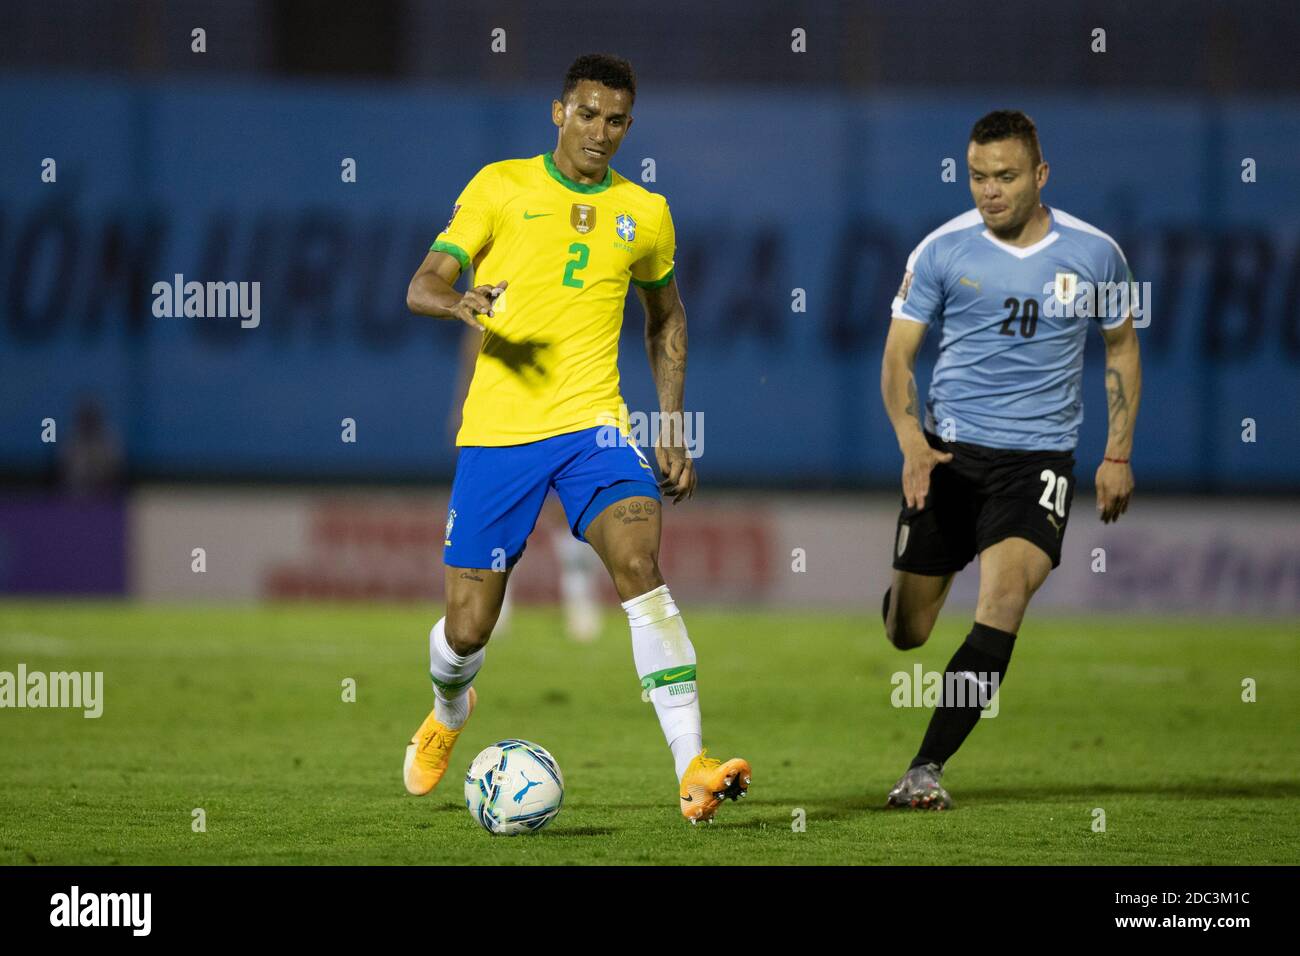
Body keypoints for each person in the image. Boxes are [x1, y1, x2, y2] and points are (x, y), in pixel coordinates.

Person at [403, 53, 750, 823]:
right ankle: (449, 712)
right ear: (559, 113)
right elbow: (421, 282)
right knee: (466, 629)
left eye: (617, 119)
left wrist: (669, 426)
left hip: (596, 427)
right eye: (587, 114)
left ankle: (690, 763)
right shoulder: (500, 186)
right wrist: (458, 303)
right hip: (500, 433)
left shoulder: (646, 214)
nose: (601, 131)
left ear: (631, 124)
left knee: (639, 564)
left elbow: (668, 319)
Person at [879, 110, 1142, 809]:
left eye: (1005, 176)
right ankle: (912, 586)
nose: (989, 191)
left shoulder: (1096, 254)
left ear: (1040, 175)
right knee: (909, 632)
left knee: (1002, 602)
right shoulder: (941, 250)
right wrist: (911, 443)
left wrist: (1118, 453)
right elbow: (899, 357)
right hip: (947, 455)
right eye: (977, 176)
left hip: (1038, 462)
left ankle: (925, 768)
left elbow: (1120, 346)